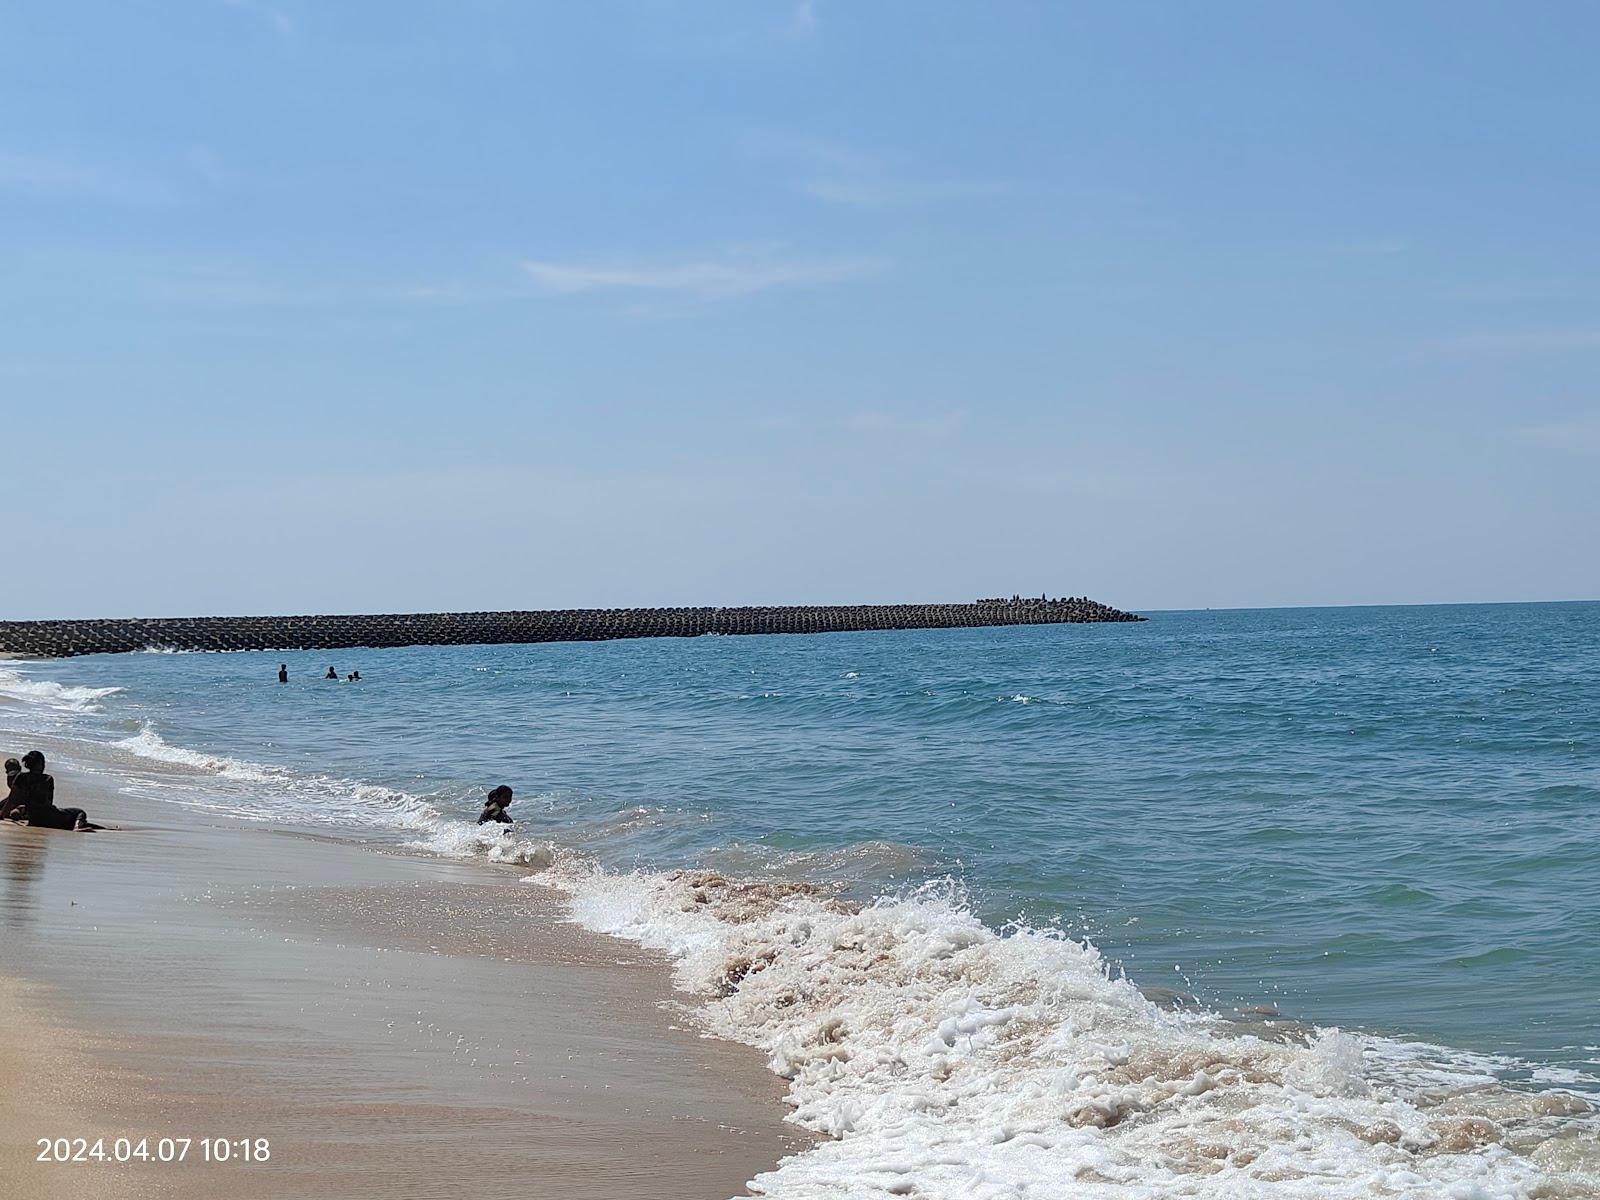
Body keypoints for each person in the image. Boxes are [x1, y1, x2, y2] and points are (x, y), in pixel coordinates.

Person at [11, 751, 99, 832]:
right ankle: (77, 827)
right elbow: (48, 803)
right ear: (41, 764)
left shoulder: (21, 777)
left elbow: (12, 798)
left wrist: (2, 815)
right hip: (50, 817)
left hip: (35, 819)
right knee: (79, 812)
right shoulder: (48, 779)